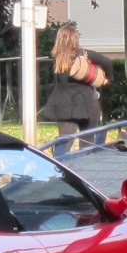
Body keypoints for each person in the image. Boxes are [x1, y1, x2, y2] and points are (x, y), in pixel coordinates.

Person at [39, 24, 113, 156]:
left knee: (64, 145)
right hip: (87, 103)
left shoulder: (57, 58)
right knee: (87, 144)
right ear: (75, 39)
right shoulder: (85, 54)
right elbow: (107, 61)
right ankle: (84, 171)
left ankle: (59, 171)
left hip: (64, 106)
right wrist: (107, 78)